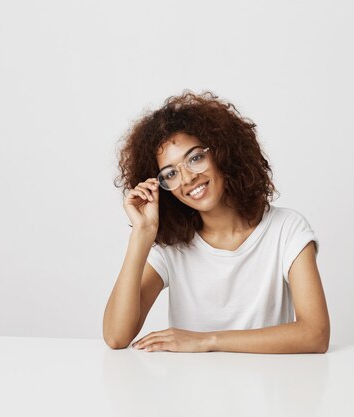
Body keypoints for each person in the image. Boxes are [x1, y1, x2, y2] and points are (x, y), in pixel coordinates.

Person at [103, 90, 330, 354]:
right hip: (190, 391)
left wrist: (206, 341)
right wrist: (142, 234)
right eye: (171, 173)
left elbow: (315, 334)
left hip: (269, 390)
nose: (187, 178)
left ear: (222, 152)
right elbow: (116, 336)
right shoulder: (172, 248)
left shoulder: (286, 229)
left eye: (195, 158)